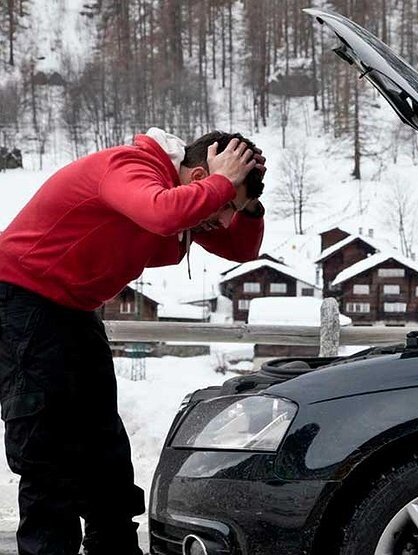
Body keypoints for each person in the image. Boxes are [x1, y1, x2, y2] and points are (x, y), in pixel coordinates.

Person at [0, 128, 266, 555]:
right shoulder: (130, 167)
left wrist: (247, 199)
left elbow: (242, 249)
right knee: (47, 444)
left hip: (74, 308)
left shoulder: (189, 196)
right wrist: (219, 186)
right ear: (198, 174)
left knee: (101, 441)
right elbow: (160, 213)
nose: (224, 218)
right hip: (23, 299)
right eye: (226, 206)